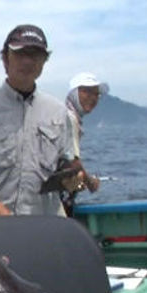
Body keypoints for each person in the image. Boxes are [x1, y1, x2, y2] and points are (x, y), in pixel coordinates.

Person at [0, 24, 90, 220]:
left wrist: (71, 178)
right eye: (21, 53)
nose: (28, 61)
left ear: (44, 61)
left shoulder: (58, 112)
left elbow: (65, 160)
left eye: (36, 55)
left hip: (41, 223)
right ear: (5, 59)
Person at [61, 72, 108, 216]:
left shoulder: (63, 114)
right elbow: (73, 162)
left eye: (96, 94)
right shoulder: (70, 118)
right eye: (87, 92)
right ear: (74, 93)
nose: (93, 98)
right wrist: (90, 183)